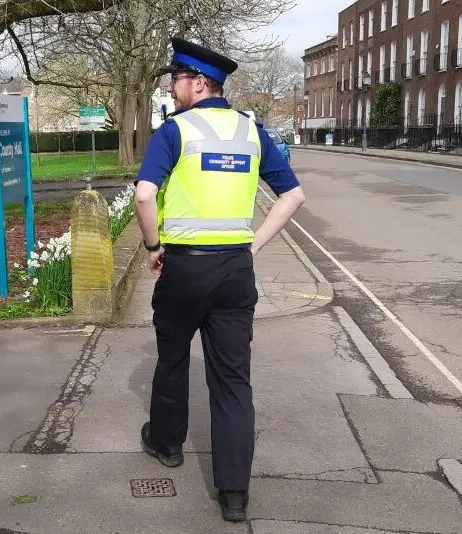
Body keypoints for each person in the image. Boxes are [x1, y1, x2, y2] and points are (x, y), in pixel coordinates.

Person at [134, 37, 306, 523]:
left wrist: (152, 248)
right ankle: (234, 494)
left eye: (176, 81)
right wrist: (252, 245)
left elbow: (145, 197)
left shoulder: (176, 132)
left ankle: (167, 444)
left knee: (172, 359)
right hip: (235, 269)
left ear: (198, 83)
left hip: (184, 267)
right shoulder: (253, 132)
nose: (172, 88)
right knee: (232, 379)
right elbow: (293, 197)